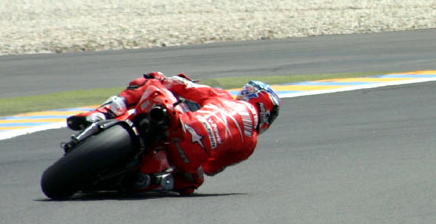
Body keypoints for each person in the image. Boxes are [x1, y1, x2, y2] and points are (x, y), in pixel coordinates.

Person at [66, 72, 280, 195]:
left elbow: (182, 86)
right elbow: (212, 168)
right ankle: (152, 181)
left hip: (180, 125)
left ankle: (102, 113)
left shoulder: (222, 96)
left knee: (150, 84)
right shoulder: (249, 144)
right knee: (194, 181)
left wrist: (161, 77)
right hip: (187, 156)